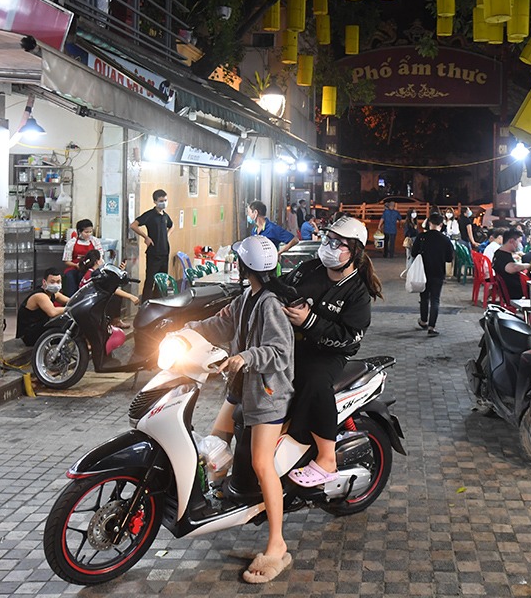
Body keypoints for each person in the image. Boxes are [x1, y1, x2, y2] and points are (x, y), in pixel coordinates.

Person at [182, 236, 295, 584]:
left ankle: (278, 545)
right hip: (241, 388)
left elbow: (280, 350)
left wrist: (244, 358)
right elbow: (221, 325)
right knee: (214, 444)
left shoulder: (271, 303)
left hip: (267, 395)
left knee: (263, 464)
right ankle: (226, 501)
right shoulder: (247, 297)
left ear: (244, 267)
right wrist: (185, 331)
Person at [278, 216, 382, 488]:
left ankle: (327, 460)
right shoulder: (309, 268)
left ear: (355, 252)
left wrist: (309, 321)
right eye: (327, 239)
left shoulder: (357, 292)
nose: (329, 246)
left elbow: (349, 337)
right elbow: (282, 287)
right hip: (293, 344)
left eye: (339, 243)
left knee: (314, 381)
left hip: (330, 354)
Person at [412, 212, 454, 336]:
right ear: (441, 224)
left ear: (429, 222)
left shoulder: (422, 237)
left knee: (424, 297)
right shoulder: (445, 240)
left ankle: (423, 321)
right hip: (438, 272)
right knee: (435, 299)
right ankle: (432, 326)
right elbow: (448, 259)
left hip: (423, 272)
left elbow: (414, 253)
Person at [130, 189, 173, 299]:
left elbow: (172, 225)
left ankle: (158, 302)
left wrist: (166, 235)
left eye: (165, 200)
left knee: (162, 280)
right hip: (154, 252)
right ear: (155, 201)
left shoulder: (165, 216)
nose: (163, 202)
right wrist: (146, 237)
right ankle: (145, 303)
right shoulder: (149, 215)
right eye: (161, 200)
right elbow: (133, 225)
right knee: (150, 280)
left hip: (165, 252)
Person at [15, 268, 68, 346]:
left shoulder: (54, 293)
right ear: (44, 282)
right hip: (29, 334)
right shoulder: (40, 296)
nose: (56, 285)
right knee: (61, 326)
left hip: (40, 328)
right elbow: (52, 312)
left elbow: (70, 301)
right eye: (52, 282)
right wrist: (69, 308)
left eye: (58, 282)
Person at [62, 219, 103, 295]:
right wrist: (76, 265)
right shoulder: (72, 242)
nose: (89, 234)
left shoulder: (95, 241)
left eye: (90, 232)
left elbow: (99, 257)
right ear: (79, 231)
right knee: (69, 277)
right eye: (86, 232)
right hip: (74, 267)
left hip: (90, 268)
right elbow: (66, 261)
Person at [492, 229, 530, 301]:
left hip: (510, 290)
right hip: (515, 292)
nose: (520, 245)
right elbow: (511, 268)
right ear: (512, 241)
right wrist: (528, 265)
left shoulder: (499, 252)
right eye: (519, 241)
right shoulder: (503, 256)